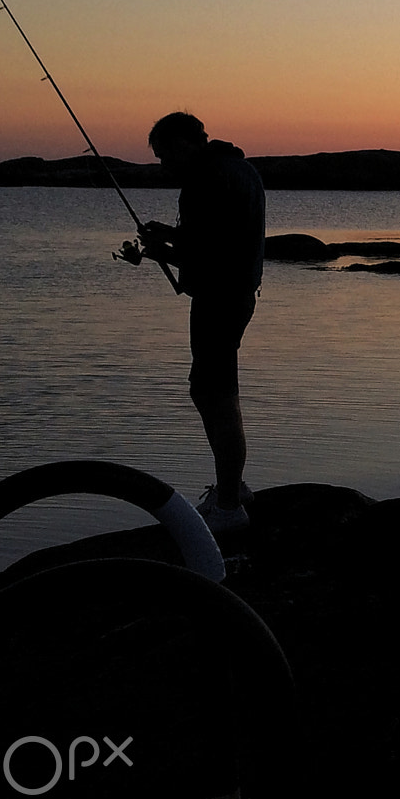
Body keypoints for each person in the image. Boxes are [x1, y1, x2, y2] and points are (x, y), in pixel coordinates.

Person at [132, 112, 266, 530]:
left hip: (218, 299)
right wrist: (169, 238)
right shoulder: (239, 169)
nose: (163, 164)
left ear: (183, 143)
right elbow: (217, 236)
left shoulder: (204, 181)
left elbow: (207, 252)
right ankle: (233, 487)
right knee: (213, 390)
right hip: (238, 294)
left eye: (164, 154)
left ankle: (228, 507)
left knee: (215, 395)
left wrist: (158, 251)